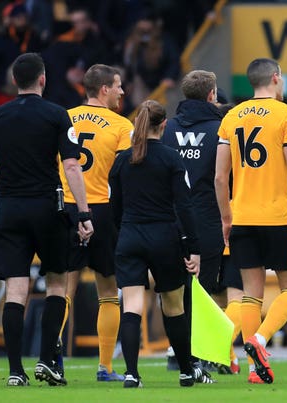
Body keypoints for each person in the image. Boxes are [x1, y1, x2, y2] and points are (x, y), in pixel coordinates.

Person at [0, 52, 94, 387]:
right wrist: (82, 212)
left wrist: (6, 179)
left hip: (9, 208)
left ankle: (15, 371)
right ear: (42, 79)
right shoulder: (57, 115)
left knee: (15, 288)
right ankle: (45, 361)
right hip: (47, 208)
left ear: (14, 81)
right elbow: (71, 166)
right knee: (55, 282)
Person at [214, 57, 287, 384]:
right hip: (277, 216)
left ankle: (254, 369)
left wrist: (226, 217)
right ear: (276, 78)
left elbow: (220, 178)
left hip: (242, 216)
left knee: (251, 293)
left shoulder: (232, 116)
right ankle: (260, 340)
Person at [109, 99, 213, 388]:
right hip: (164, 237)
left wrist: (125, 231)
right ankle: (184, 371)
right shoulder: (170, 158)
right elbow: (185, 206)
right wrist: (193, 247)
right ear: (164, 126)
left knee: (131, 306)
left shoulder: (122, 160)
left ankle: (131, 374)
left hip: (130, 236)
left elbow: (113, 207)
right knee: (173, 305)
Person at [162, 70, 242, 375]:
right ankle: (196, 359)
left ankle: (177, 353)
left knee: (174, 290)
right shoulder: (223, 129)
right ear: (212, 95)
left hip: (169, 221)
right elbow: (228, 177)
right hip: (207, 219)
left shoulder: (167, 130)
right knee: (204, 292)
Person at [56, 63, 133, 381]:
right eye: (118, 86)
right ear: (104, 89)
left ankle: (52, 360)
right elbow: (125, 174)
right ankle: (106, 367)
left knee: (61, 289)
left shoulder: (64, 117)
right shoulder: (121, 125)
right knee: (108, 292)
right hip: (101, 209)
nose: (122, 91)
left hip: (66, 208)